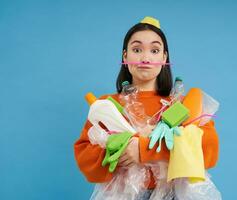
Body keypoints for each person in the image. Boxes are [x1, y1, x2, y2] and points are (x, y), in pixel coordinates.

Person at [74, 16, 219, 200]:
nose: (145, 58)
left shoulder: (182, 105)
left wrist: (143, 150)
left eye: (155, 50)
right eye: (136, 49)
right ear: (125, 56)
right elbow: (85, 158)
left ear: (164, 57)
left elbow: (208, 151)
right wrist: (118, 153)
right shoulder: (107, 105)